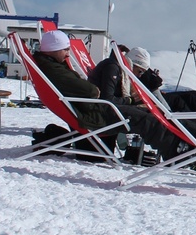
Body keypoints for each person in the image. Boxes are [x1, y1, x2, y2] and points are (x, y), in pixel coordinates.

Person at [35, 30, 183, 161]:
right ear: (53, 50)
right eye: (65, 49)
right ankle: (177, 153)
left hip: (93, 110)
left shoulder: (51, 66)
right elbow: (92, 91)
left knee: (148, 115)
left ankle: (184, 144)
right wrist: (97, 91)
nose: (68, 53)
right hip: (94, 114)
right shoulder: (54, 70)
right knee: (146, 120)